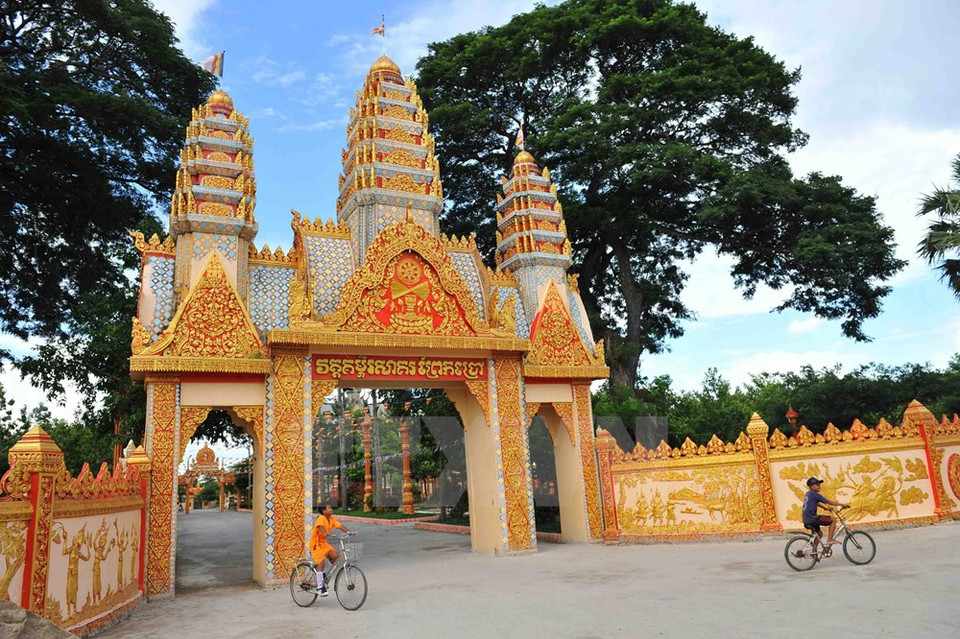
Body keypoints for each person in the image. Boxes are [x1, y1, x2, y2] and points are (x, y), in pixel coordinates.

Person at [309, 504, 350, 596]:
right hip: (316, 544)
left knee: (335, 557)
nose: (331, 509)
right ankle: (319, 587)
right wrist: (325, 533)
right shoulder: (322, 518)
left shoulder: (331, 518)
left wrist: (349, 532)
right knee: (321, 563)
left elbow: (340, 526)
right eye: (329, 508)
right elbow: (320, 527)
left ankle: (322, 576)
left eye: (331, 507)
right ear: (324, 511)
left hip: (324, 544)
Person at [802, 477, 849, 547]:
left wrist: (825, 508)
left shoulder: (808, 494)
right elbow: (829, 502)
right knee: (833, 520)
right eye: (817, 485)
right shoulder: (815, 494)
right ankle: (830, 539)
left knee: (819, 534)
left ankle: (813, 554)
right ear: (812, 486)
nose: (819, 486)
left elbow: (816, 503)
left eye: (819, 485)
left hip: (807, 519)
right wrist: (842, 504)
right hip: (813, 519)